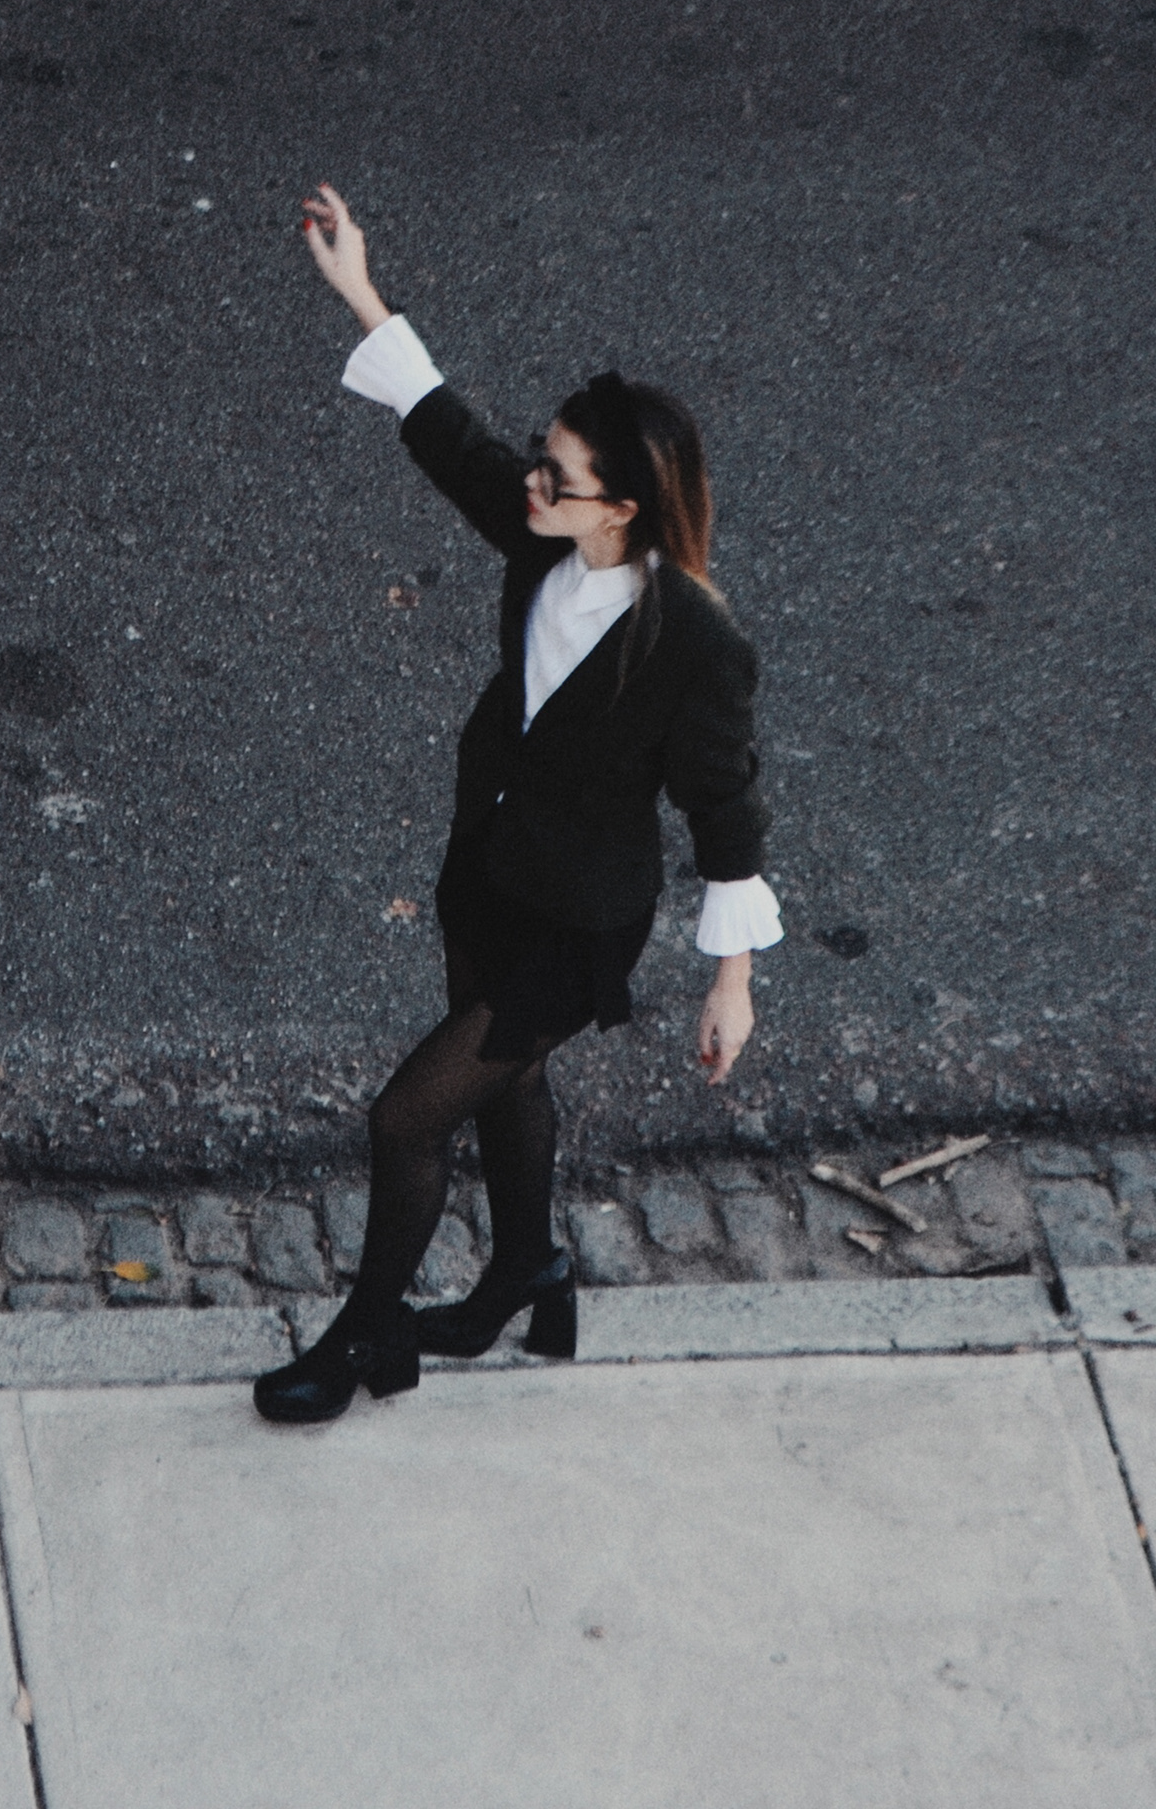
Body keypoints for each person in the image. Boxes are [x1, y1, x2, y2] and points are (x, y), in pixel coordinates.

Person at [255, 182, 781, 1425]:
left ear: (624, 508)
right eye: (543, 458)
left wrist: (732, 982)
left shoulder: (694, 643)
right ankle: (528, 1271)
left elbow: (726, 807)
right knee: (507, 1085)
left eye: (560, 473)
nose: (534, 480)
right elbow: (451, 434)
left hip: (577, 923)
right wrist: (360, 289)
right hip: (490, 869)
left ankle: (368, 1338)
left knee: (407, 1118)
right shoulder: (547, 532)